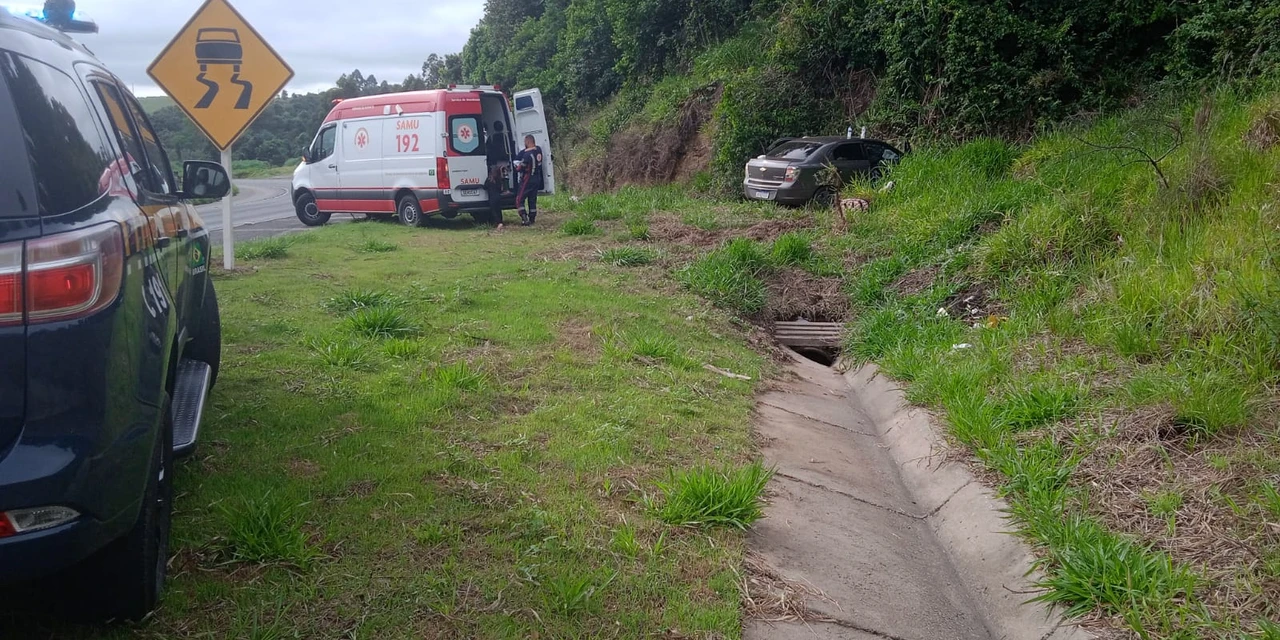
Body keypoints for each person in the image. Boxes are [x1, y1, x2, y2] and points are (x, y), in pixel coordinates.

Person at [513, 135, 544, 226]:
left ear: (528, 142)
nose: (524, 144)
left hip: (527, 179)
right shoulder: (538, 150)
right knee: (532, 199)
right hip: (537, 178)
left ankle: (524, 218)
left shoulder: (527, 155)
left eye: (525, 142)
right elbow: (532, 150)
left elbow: (520, 168)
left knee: (519, 199)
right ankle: (532, 218)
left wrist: (516, 166)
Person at [484, 122, 510, 224]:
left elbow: (490, 149)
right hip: (505, 157)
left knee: (500, 173)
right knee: (505, 174)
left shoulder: (492, 137)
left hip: (496, 159)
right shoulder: (505, 136)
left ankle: (505, 188)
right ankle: (506, 189)